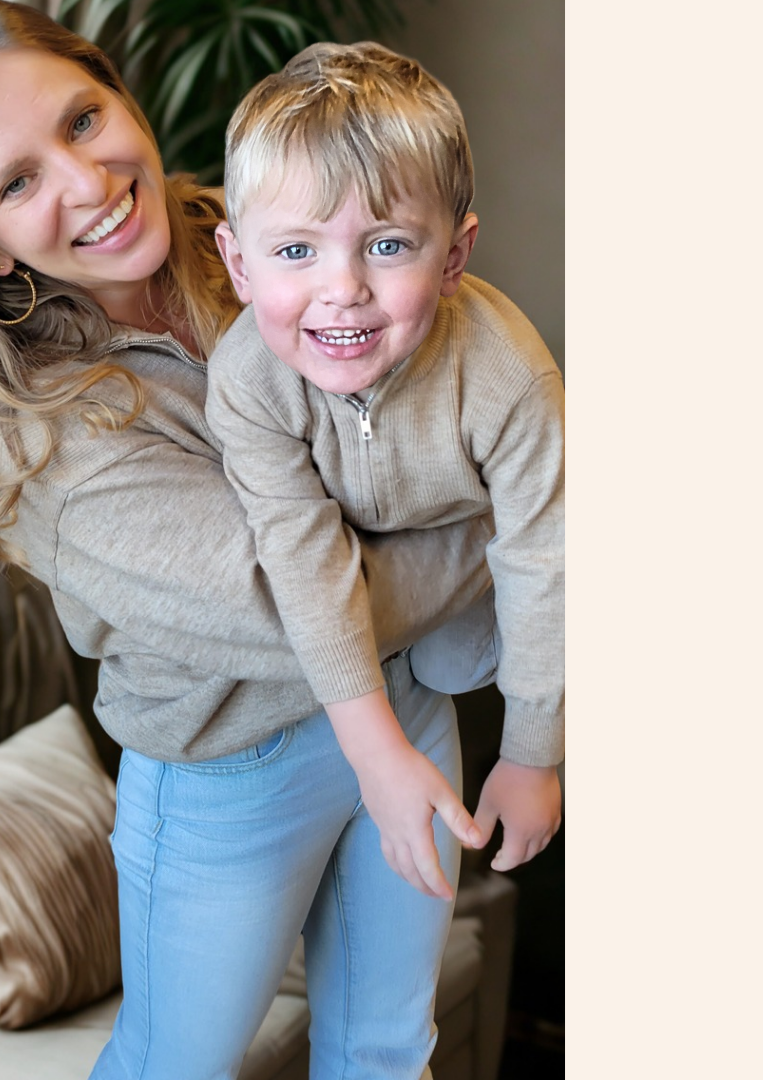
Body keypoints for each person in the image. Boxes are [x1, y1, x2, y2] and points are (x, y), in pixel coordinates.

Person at [0, 2, 526, 1076]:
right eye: (17, 182)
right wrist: (520, 527)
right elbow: (282, 611)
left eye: (82, 121)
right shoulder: (40, 438)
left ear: (119, 92)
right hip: (237, 769)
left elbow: (458, 361)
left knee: (388, 1053)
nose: (86, 183)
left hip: (403, 696)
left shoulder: (261, 227)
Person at [205, 42, 564, 898]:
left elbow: (547, 558)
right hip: (360, 571)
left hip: (491, 557)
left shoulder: (506, 374)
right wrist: (374, 753)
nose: (343, 288)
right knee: (385, 644)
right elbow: (299, 552)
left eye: (388, 245)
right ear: (237, 264)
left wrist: (533, 754)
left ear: (454, 257)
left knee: (455, 656)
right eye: (295, 252)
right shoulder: (247, 378)